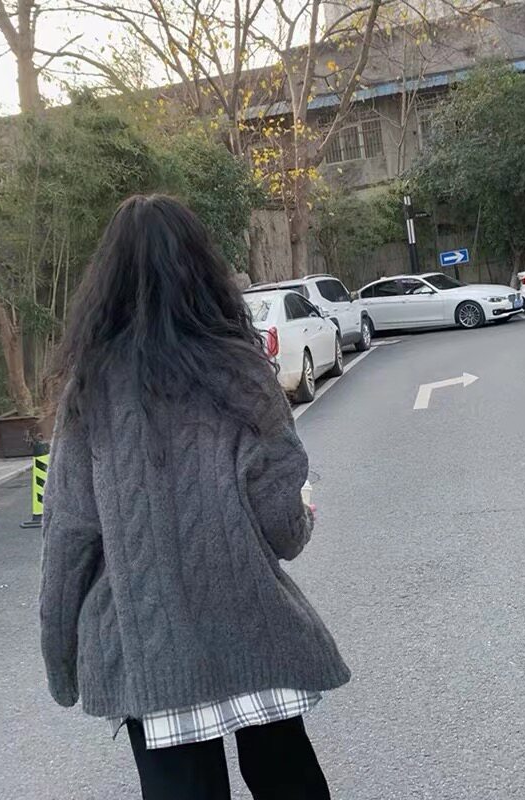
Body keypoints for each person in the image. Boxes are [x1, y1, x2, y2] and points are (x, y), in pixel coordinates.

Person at [39, 194, 350, 799]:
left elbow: (68, 534)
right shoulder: (242, 372)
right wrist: (302, 518)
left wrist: (61, 658)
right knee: (286, 776)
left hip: (148, 647)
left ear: (107, 286)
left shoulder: (91, 388)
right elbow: (282, 526)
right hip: (251, 626)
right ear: (203, 272)